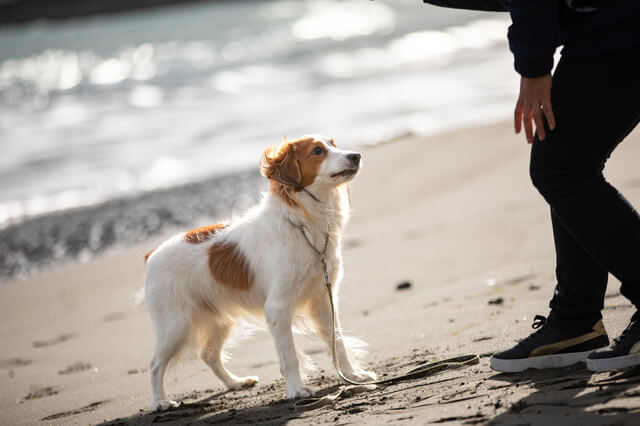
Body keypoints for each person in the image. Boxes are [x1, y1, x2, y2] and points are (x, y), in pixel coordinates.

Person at [485, 0, 640, 373]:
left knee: (562, 171)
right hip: (606, 28)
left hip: (621, 30)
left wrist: (534, 66)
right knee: (566, 165)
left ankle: (575, 318)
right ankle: (575, 321)